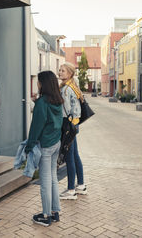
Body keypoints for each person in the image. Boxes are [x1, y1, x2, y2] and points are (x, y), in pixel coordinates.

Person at [25, 71, 63, 227]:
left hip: (46, 146)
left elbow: (36, 128)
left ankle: (46, 215)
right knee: (53, 178)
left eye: (39, 82)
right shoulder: (58, 100)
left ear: (43, 84)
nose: (37, 84)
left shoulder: (42, 103)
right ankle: (55, 212)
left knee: (45, 182)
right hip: (56, 143)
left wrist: (29, 146)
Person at [58, 62, 87, 200]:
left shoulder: (65, 90)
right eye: (59, 70)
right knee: (75, 155)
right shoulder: (73, 87)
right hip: (74, 125)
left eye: (62, 70)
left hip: (68, 126)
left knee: (69, 157)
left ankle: (71, 190)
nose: (59, 72)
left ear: (69, 73)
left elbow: (66, 111)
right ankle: (80, 185)